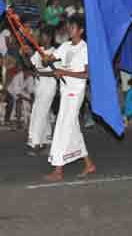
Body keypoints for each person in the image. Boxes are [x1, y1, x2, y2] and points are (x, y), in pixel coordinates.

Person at [42, 16, 95, 181]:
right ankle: (88, 164)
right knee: (72, 128)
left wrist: (64, 72)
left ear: (81, 30)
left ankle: (58, 169)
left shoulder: (85, 48)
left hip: (75, 92)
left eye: (73, 27)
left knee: (62, 127)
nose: (70, 30)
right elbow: (50, 59)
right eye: (69, 27)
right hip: (65, 91)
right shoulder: (65, 46)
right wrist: (45, 57)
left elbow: (87, 74)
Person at [26, 28, 57, 155]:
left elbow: (56, 72)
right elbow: (30, 65)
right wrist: (25, 54)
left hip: (49, 87)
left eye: (43, 36)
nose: (40, 39)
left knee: (39, 114)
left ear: (49, 38)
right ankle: (47, 140)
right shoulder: (40, 51)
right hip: (39, 87)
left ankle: (36, 143)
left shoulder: (54, 52)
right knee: (41, 113)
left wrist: (40, 73)